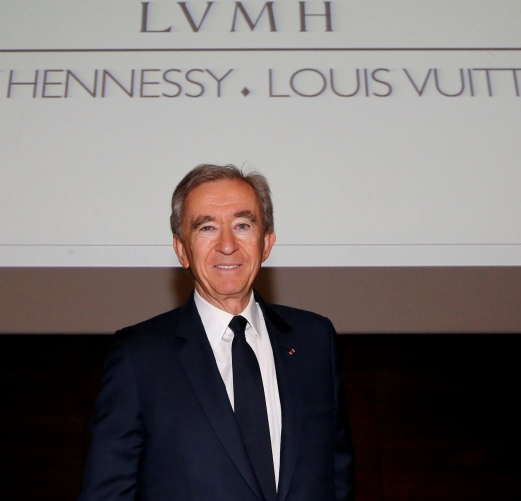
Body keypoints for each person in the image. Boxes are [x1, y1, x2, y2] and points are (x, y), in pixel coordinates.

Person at [78, 164, 354, 501]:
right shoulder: (139, 357)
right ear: (182, 250)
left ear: (266, 243)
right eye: (207, 227)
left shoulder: (315, 339)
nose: (227, 245)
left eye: (242, 225)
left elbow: (337, 477)